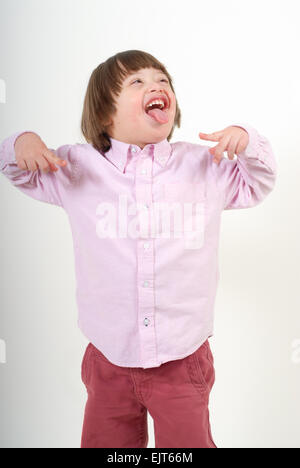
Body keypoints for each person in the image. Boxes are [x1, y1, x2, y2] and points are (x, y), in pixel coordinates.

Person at [0, 49, 277, 448]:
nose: (157, 86)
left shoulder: (205, 166)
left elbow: (258, 183)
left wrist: (248, 140)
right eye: (138, 82)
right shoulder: (75, 167)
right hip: (109, 356)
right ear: (103, 115)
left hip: (183, 358)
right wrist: (21, 142)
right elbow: (14, 168)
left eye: (162, 80)